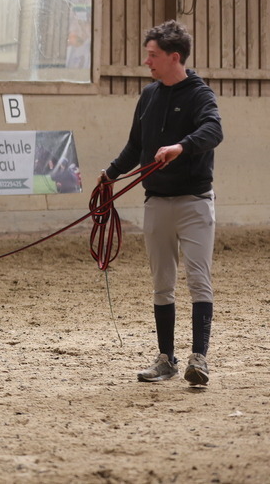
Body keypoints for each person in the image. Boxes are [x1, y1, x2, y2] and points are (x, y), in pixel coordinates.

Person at [98, 20, 223, 386]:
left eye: (152, 55)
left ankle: (199, 357)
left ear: (174, 57)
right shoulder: (149, 95)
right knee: (162, 283)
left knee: (199, 279)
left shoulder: (201, 95)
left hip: (195, 202)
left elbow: (214, 130)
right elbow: (136, 145)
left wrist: (180, 147)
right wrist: (111, 173)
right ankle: (166, 358)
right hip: (157, 201)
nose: (147, 62)